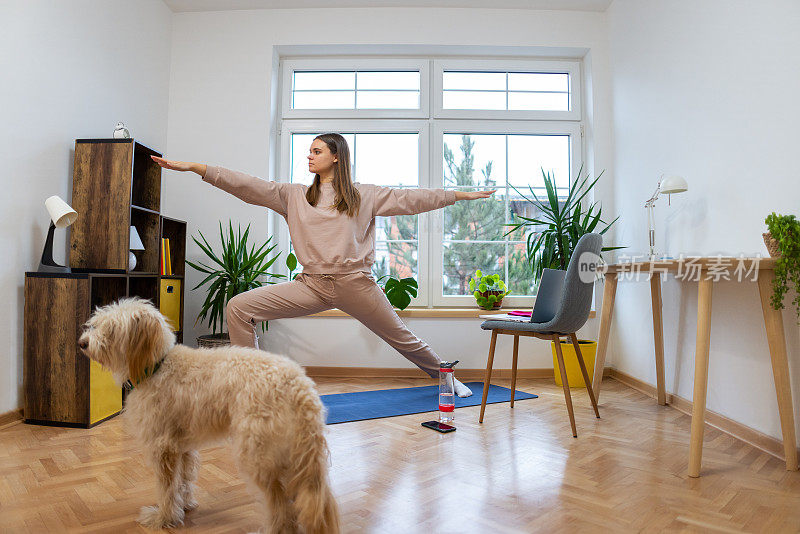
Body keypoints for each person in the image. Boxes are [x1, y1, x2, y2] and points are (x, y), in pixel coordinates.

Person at [151, 133, 496, 397]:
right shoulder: (293, 195)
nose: (309, 156)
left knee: (401, 338)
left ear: (335, 157)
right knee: (239, 306)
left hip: (355, 284)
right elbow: (247, 186)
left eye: (316, 151)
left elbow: (413, 199)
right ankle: (252, 382)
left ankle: (444, 376)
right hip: (311, 285)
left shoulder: (364, 196)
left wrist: (459, 195)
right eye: (309, 151)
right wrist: (198, 168)